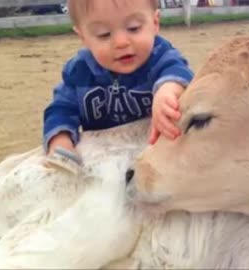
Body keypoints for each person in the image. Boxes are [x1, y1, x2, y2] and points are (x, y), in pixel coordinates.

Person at [43, 0, 193, 173]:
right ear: (83, 37)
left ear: (155, 23)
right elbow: (60, 109)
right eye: (104, 34)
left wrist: (168, 89)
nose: (121, 42)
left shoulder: (160, 56)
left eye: (133, 28)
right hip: (105, 161)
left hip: (155, 155)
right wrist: (60, 140)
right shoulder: (79, 71)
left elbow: (179, 71)